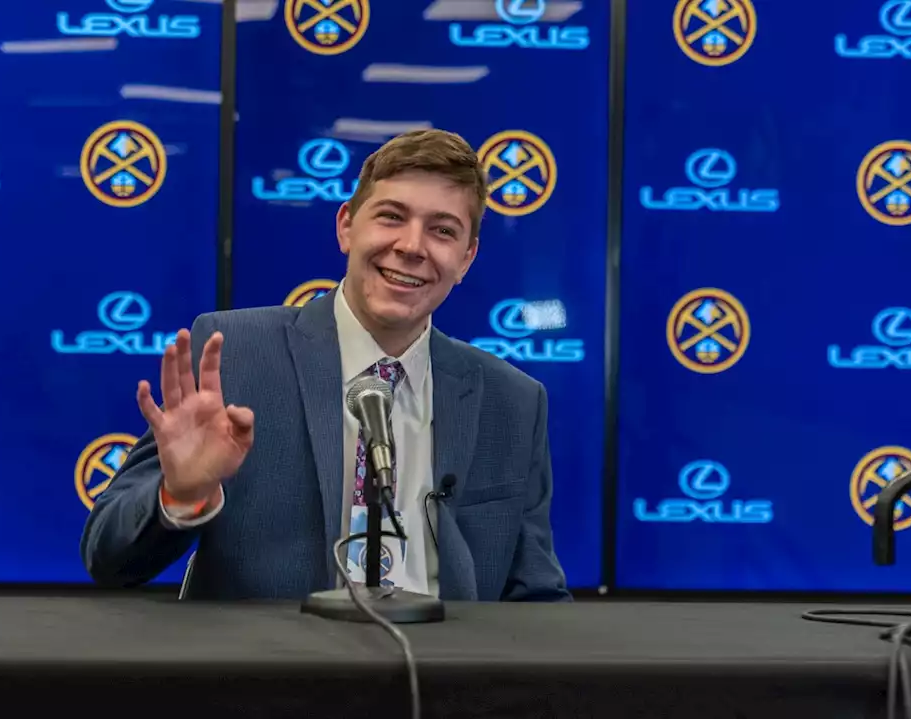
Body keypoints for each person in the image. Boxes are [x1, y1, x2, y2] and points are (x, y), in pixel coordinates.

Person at [80, 129, 570, 602]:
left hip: (444, 677)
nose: (412, 246)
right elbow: (108, 557)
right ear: (346, 227)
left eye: (442, 231)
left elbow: (536, 596)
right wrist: (182, 495)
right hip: (277, 672)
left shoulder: (513, 401)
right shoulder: (238, 354)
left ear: (466, 259)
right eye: (391, 217)